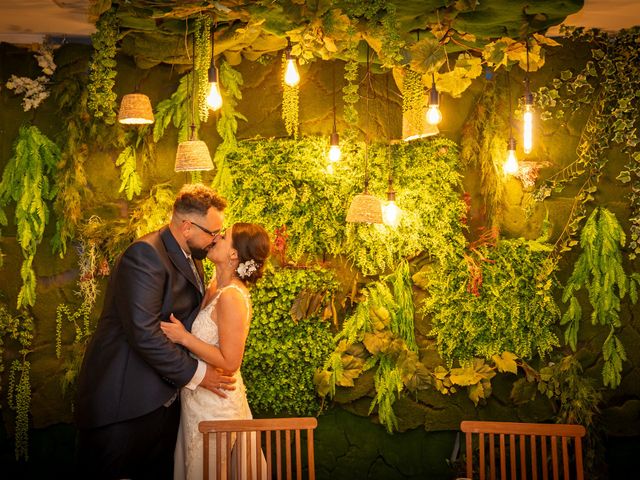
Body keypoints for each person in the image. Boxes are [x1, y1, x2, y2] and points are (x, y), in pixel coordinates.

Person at [75, 184, 237, 480]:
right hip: (125, 405)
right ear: (187, 226)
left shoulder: (191, 256)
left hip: (161, 404)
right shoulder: (146, 255)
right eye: (212, 233)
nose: (215, 240)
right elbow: (145, 334)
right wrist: (200, 375)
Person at [160, 222, 270, 480]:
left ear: (234, 254)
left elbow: (231, 361)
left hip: (217, 403)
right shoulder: (213, 285)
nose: (215, 238)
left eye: (224, 237)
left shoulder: (232, 297)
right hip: (197, 398)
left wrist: (185, 338)